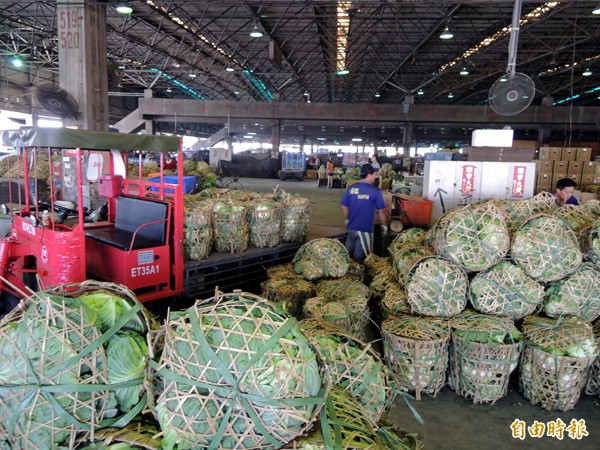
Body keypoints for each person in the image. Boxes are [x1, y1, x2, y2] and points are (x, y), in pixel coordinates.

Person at [340, 163, 388, 263]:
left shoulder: (351, 188)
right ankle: (358, 275)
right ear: (369, 175)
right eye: (374, 174)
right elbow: (382, 211)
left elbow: (344, 206)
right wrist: (384, 225)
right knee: (360, 257)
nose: (375, 176)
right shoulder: (375, 191)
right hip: (365, 230)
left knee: (347, 255)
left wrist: (347, 219)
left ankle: (346, 274)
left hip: (352, 227)